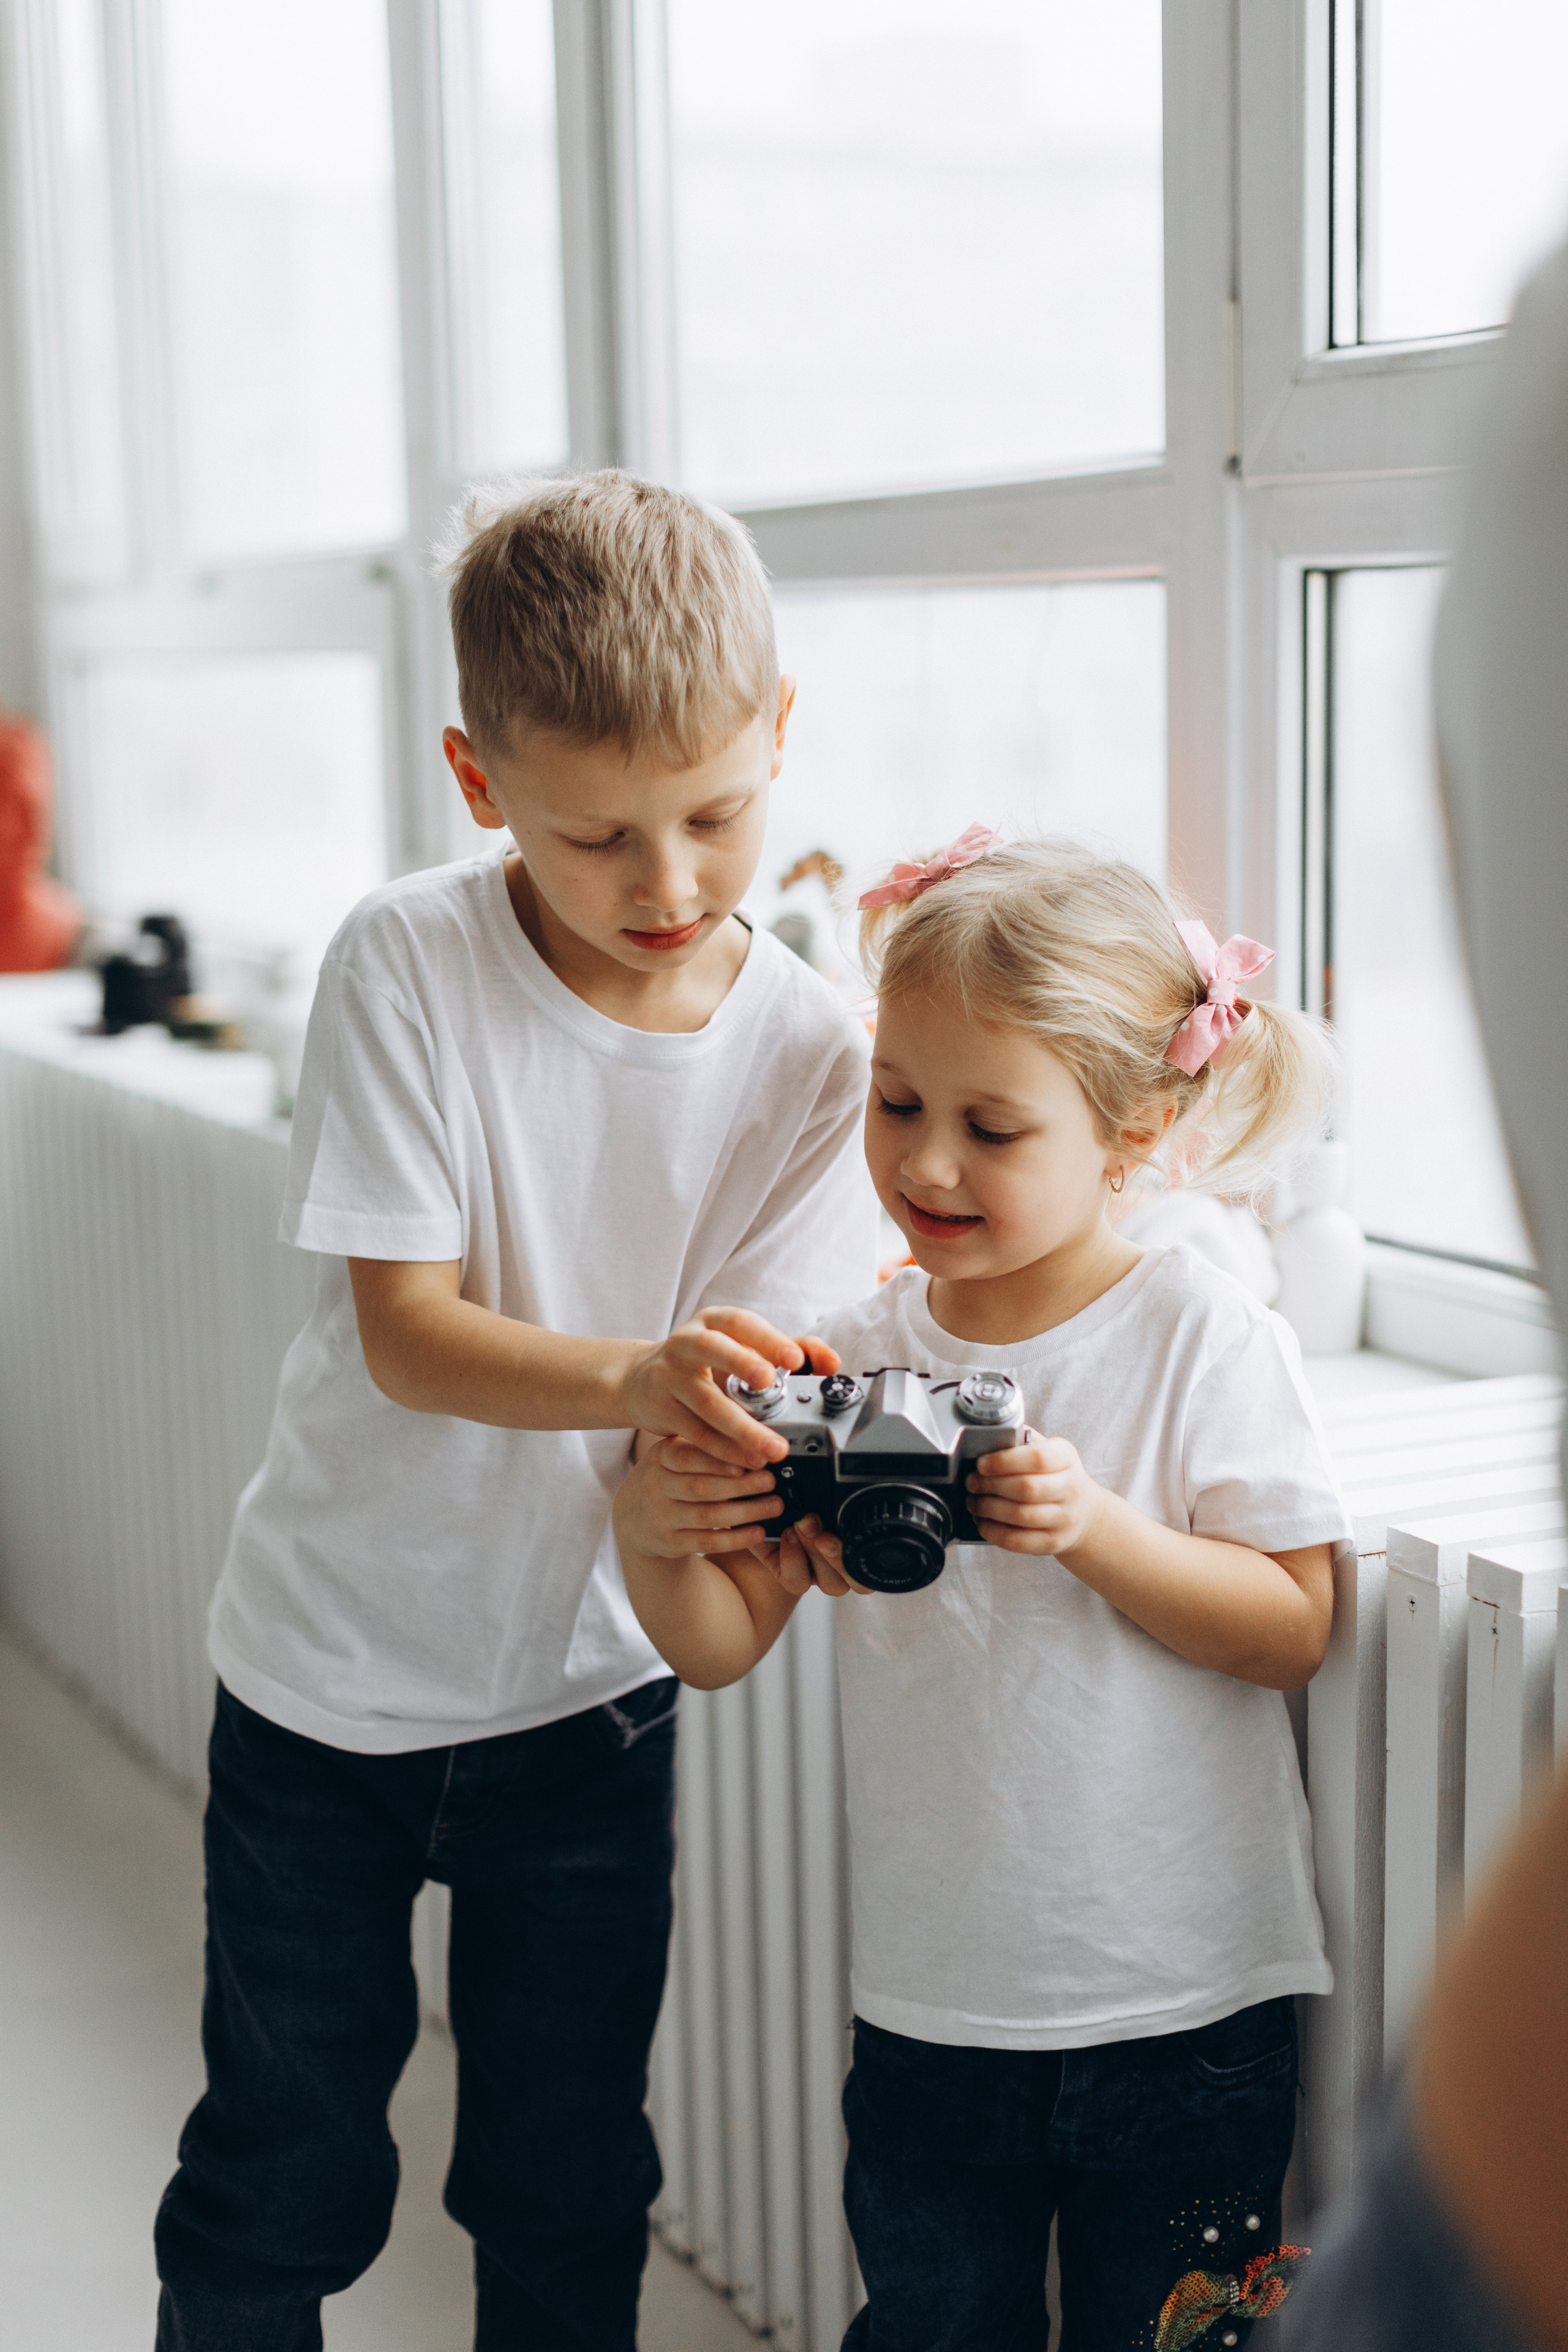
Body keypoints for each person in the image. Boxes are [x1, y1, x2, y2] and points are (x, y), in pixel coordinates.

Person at [153, 470, 878, 2352]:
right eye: (599, 836)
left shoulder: (811, 1051)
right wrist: (648, 1376)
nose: (670, 886)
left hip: (587, 1703)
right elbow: (409, 1333)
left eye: (718, 815)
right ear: (483, 788)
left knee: (567, 2179)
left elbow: (745, 1394)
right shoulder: (407, 960)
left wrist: (762, 1490)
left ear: (781, 737)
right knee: (284, 2168)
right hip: (329, 1686)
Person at [614, 834, 1353, 2352]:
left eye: (989, 1126)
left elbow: (1292, 1629)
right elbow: (712, 1648)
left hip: (1184, 2008)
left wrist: (1091, 1527)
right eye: (896, 1104)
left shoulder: (1197, 1339)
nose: (926, 1164)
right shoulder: (842, 1354)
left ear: (1132, 1128)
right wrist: (648, 1524)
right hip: (933, 2009)